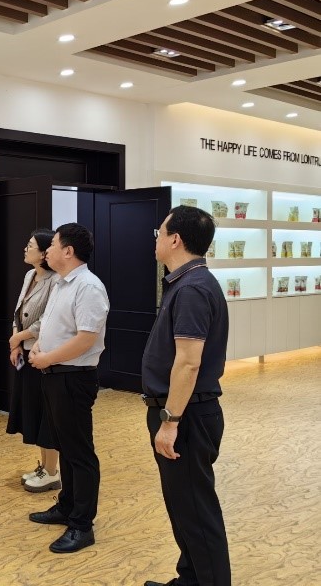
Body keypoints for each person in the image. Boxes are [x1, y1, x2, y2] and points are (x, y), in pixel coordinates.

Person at [142, 206, 230, 586]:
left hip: (186, 416)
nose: (156, 239)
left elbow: (188, 364)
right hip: (183, 412)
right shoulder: (186, 282)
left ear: (175, 239)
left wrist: (170, 421)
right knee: (184, 509)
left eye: (159, 232)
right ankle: (190, 579)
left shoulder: (193, 288)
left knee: (196, 513)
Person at [28, 223, 109, 554]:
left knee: (80, 452)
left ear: (68, 251)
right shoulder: (62, 283)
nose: (47, 250)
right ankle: (67, 506)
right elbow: (53, 327)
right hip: (54, 375)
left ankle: (82, 525)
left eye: (53, 244)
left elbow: (85, 339)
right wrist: (39, 348)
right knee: (66, 447)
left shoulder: (88, 287)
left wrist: (47, 357)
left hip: (73, 378)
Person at [5, 229, 60, 493]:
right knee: (34, 412)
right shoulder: (30, 276)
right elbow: (19, 311)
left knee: (46, 413)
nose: (26, 249)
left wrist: (20, 337)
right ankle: (43, 467)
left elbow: (45, 321)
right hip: (25, 350)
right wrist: (15, 341)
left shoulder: (55, 280)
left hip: (42, 353)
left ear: (44, 253)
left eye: (30, 246)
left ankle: (52, 471)